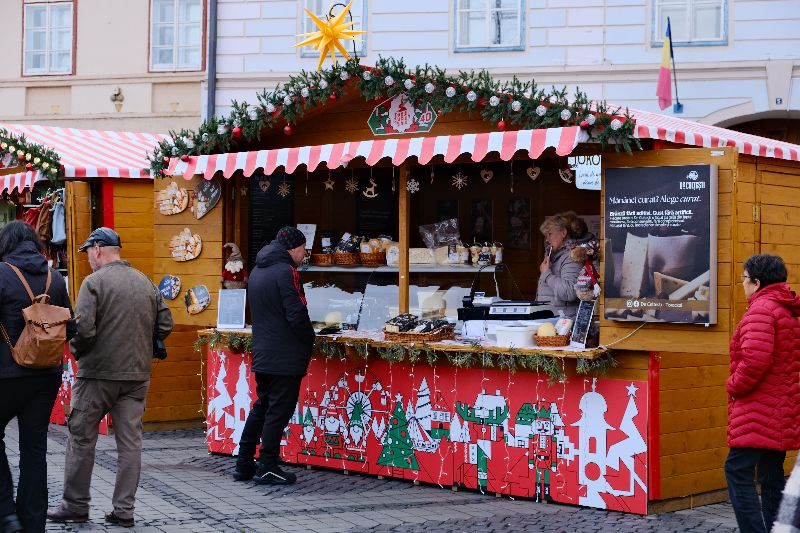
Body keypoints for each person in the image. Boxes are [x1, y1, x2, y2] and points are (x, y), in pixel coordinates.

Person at [47, 227, 173, 528]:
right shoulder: (144, 281)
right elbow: (165, 323)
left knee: (81, 438)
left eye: (89, 251)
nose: (88, 258)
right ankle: (124, 511)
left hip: (97, 375)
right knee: (130, 443)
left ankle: (76, 506)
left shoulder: (94, 282)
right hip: (137, 375)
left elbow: (85, 330)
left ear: (99, 248)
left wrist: (77, 351)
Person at [0, 221, 76, 533]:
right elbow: (69, 327)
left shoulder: (2, 273)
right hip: (46, 375)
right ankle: (32, 523)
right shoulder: (54, 277)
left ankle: (6, 515)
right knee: (35, 449)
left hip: (7, 375)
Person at [233, 226, 315, 485]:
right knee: (278, 410)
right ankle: (267, 465)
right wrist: (309, 338)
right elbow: (296, 312)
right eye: (303, 249)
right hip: (285, 354)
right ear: (293, 248)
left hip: (264, 352)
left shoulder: (258, 270)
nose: (305, 254)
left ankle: (244, 462)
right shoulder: (286, 272)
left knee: (263, 406)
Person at [725, 254, 800, 533]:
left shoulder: (761, 309)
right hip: (781, 408)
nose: (742, 285)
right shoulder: (786, 308)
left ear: (756, 282)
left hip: (758, 409)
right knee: (771, 475)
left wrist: (734, 385)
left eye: (744, 279)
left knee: (737, 471)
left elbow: (755, 361)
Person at [536, 212, 583, 317]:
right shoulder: (553, 256)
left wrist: (546, 274)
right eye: (546, 235)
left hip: (563, 323)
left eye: (550, 234)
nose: (547, 239)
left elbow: (570, 292)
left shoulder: (572, 256)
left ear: (563, 233)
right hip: (552, 319)